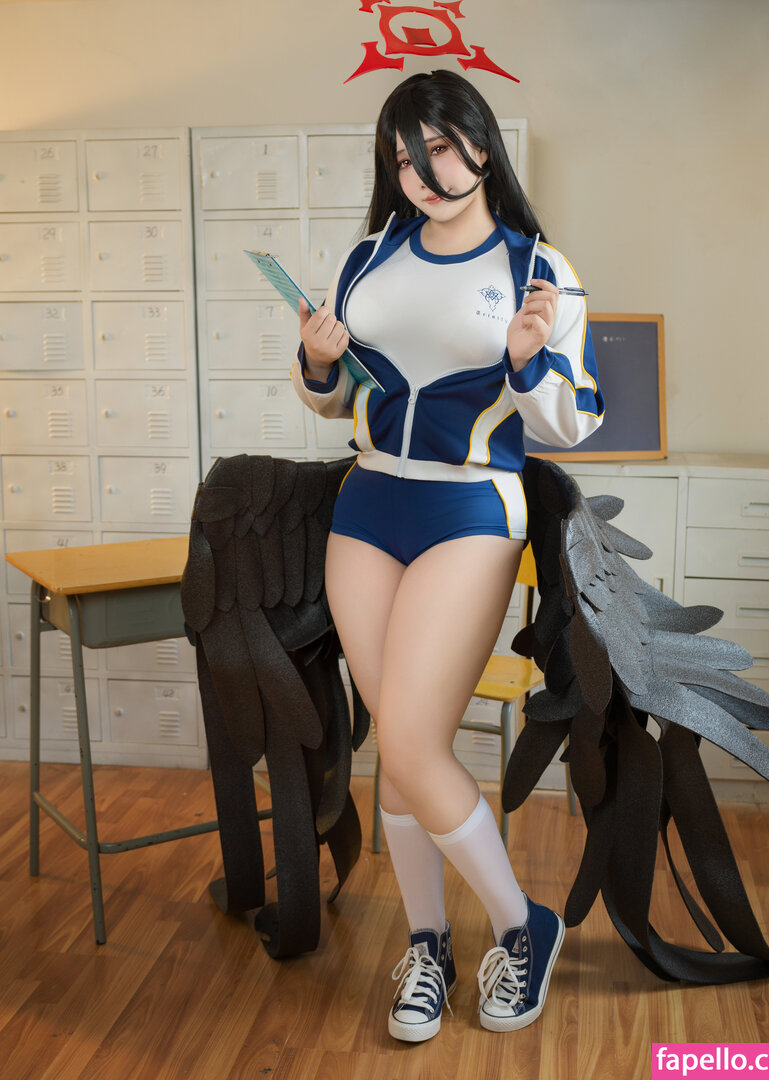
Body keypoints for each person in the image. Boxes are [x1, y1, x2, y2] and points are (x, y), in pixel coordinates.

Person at [290, 69, 604, 1042]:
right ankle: (427, 945)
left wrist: (527, 359)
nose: (421, 173)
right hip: (367, 506)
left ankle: (521, 925)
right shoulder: (368, 256)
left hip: (470, 509)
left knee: (413, 740)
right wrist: (316, 362)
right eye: (401, 157)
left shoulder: (537, 268)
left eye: (436, 147)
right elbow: (333, 398)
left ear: (479, 144)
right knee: (398, 746)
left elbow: (574, 419)